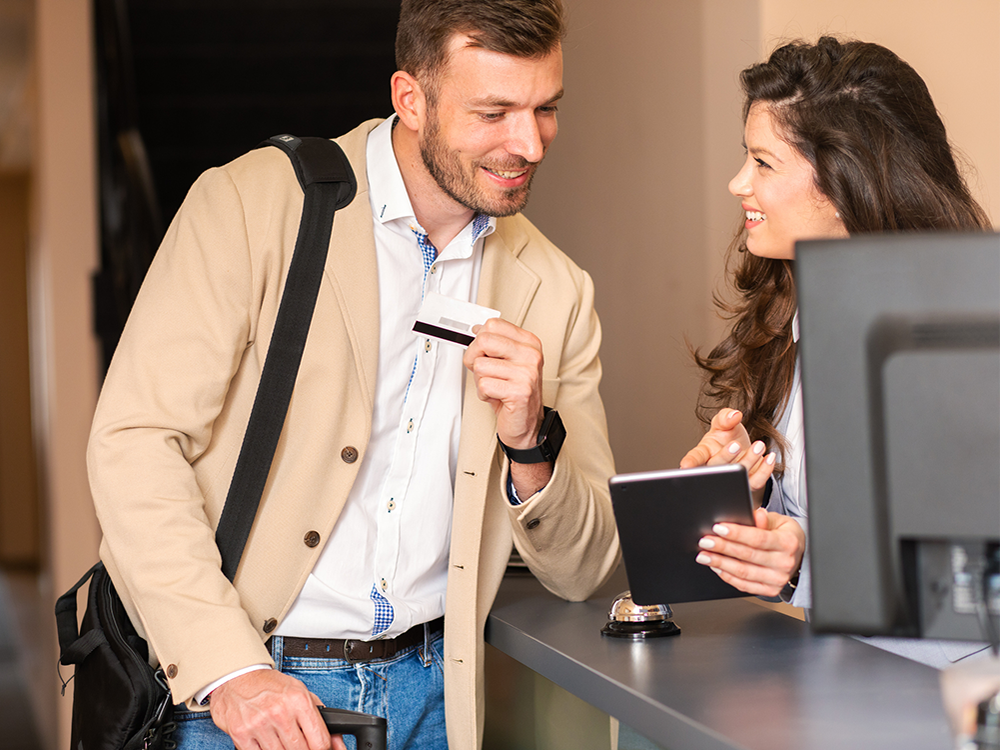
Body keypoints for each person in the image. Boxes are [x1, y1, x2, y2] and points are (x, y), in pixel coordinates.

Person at [86, 2, 620, 749]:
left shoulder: (556, 289)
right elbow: (134, 443)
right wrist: (229, 671)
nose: (528, 143)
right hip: (244, 696)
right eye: (494, 112)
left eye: (546, 109)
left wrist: (532, 444)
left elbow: (583, 567)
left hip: (439, 699)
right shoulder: (250, 204)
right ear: (410, 98)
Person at [681, 37, 990, 615]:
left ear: (846, 181)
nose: (737, 182)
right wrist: (755, 490)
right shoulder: (795, 322)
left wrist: (805, 560)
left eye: (763, 162)